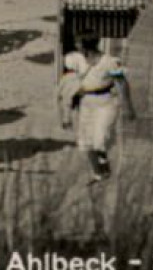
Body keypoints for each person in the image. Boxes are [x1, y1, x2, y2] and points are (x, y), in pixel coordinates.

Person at [58, 35, 135, 183]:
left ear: (85, 46)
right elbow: (68, 82)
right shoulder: (75, 60)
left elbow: (122, 83)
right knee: (86, 142)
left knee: (100, 138)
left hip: (106, 102)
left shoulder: (109, 62)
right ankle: (99, 173)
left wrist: (128, 106)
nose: (76, 46)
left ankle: (103, 161)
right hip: (86, 103)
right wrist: (66, 112)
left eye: (78, 43)